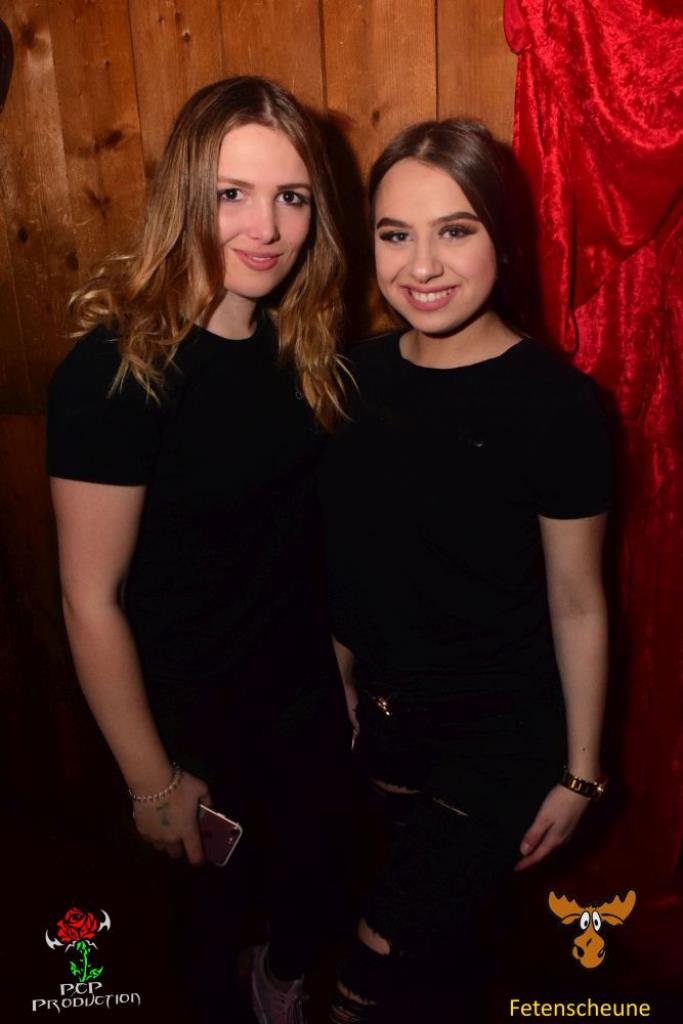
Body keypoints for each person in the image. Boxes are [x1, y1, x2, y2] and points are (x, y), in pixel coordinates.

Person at [48, 76, 352, 1024]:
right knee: (205, 932)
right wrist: (152, 781)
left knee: (316, 887)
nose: (266, 227)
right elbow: (89, 599)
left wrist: (342, 676)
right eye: (232, 194)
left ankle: (281, 983)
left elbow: (303, 546)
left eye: (291, 196)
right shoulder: (115, 368)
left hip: (299, 703)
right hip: (190, 727)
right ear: (185, 194)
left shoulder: (302, 349)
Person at [319, 118, 612, 1022]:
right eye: (394, 234)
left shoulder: (558, 406)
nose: (421, 266)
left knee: (371, 967)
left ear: (502, 238)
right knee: (443, 958)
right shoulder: (348, 381)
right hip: (388, 726)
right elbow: (348, 567)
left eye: (454, 229)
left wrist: (579, 773)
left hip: (503, 734)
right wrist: (341, 690)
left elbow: (577, 602)